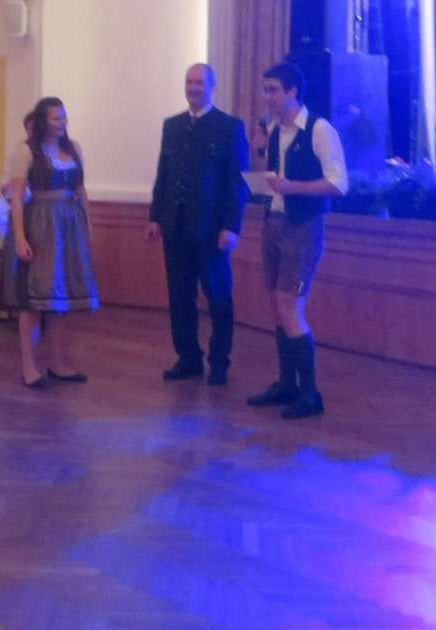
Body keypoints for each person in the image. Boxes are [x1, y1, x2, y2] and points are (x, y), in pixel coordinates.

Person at [245, 62, 347, 420]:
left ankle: (310, 393)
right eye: (265, 90)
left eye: (273, 89)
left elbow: (338, 184)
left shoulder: (319, 129)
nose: (267, 97)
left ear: (293, 92)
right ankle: (287, 384)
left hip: (303, 226)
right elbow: (272, 179)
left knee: (289, 304)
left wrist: (293, 187)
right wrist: (260, 152)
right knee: (277, 303)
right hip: (273, 221)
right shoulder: (273, 129)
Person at [145, 64, 249, 385]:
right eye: (189, 82)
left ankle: (219, 362)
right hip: (174, 228)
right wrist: (154, 217)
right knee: (180, 298)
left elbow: (238, 182)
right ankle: (188, 358)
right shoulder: (172, 125)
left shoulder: (229, 126)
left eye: (199, 83)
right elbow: (163, 174)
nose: (193, 88)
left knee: (218, 298)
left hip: (211, 232)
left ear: (211, 86)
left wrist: (231, 226)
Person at [2, 96, 98, 388]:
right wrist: (20, 238)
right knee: (33, 299)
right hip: (40, 225)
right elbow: (17, 198)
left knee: (61, 299)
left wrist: (88, 227)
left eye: (64, 117)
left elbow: (81, 190)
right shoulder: (26, 151)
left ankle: (57, 363)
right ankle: (28, 366)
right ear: (44, 120)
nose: (62, 123)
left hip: (69, 227)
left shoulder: (73, 148)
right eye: (56, 118)